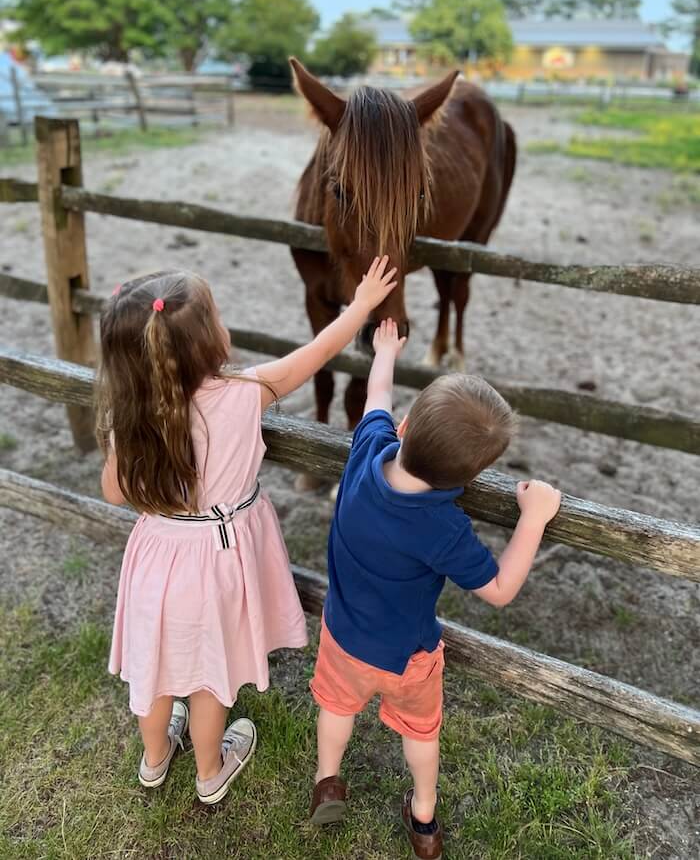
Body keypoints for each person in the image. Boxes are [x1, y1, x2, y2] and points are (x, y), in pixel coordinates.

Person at [97, 258, 398, 804]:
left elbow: (115, 493)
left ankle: (156, 757)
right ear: (208, 342)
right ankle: (210, 770)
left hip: (156, 558)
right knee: (212, 674)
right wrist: (359, 306)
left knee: (155, 667)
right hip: (216, 558)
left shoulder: (131, 409)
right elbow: (315, 355)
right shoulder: (244, 392)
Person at [309, 319, 561, 859]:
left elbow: (376, 393)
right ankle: (424, 819)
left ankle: (327, 781)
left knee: (336, 706)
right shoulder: (443, 527)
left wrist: (386, 351)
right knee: (421, 732)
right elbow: (497, 588)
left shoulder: (367, 451)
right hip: (409, 657)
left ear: (404, 425)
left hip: (342, 637)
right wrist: (534, 519)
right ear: (462, 480)